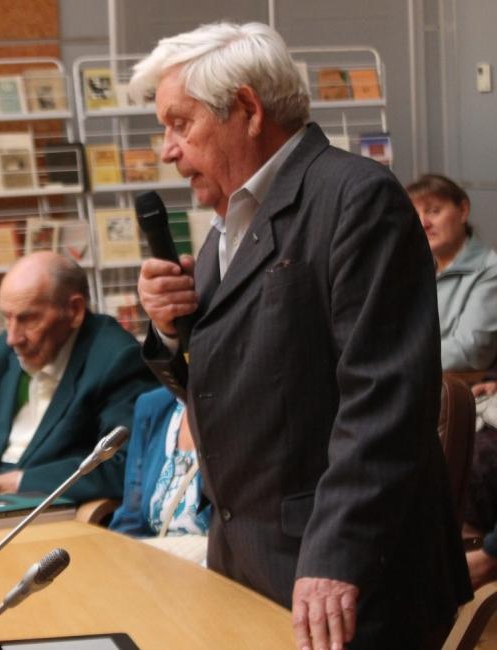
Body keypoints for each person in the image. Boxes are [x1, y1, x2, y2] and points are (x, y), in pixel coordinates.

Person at [130, 22, 470, 649]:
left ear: (248, 109)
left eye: (180, 124)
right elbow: (217, 394)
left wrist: (336, 558)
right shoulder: (227, 226)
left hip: (343, 575)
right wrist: (168, 331)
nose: (167, 151)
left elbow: (385, 401)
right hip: (248, 558)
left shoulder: (356, 198)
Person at [0, 252, 156, 503]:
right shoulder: (8, 350)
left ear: (75, 310)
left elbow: (127, 463)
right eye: (6, 318)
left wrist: (20, 483)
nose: (13, 338)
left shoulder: (116, 358)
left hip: (45, 503)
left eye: (28, 319)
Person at [109, 387, 211, 564]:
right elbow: (131, 517)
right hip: (154, 564)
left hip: (215, 570)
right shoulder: (152, 405)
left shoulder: (245, 412)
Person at [406, 174, 497, 372]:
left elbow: (471, 351)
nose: (423, 223)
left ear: (463, 210)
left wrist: (395, 362)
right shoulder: (412, 272)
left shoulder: (490, 270)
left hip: (452, 386)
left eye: (434, 211)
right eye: (415, 215)